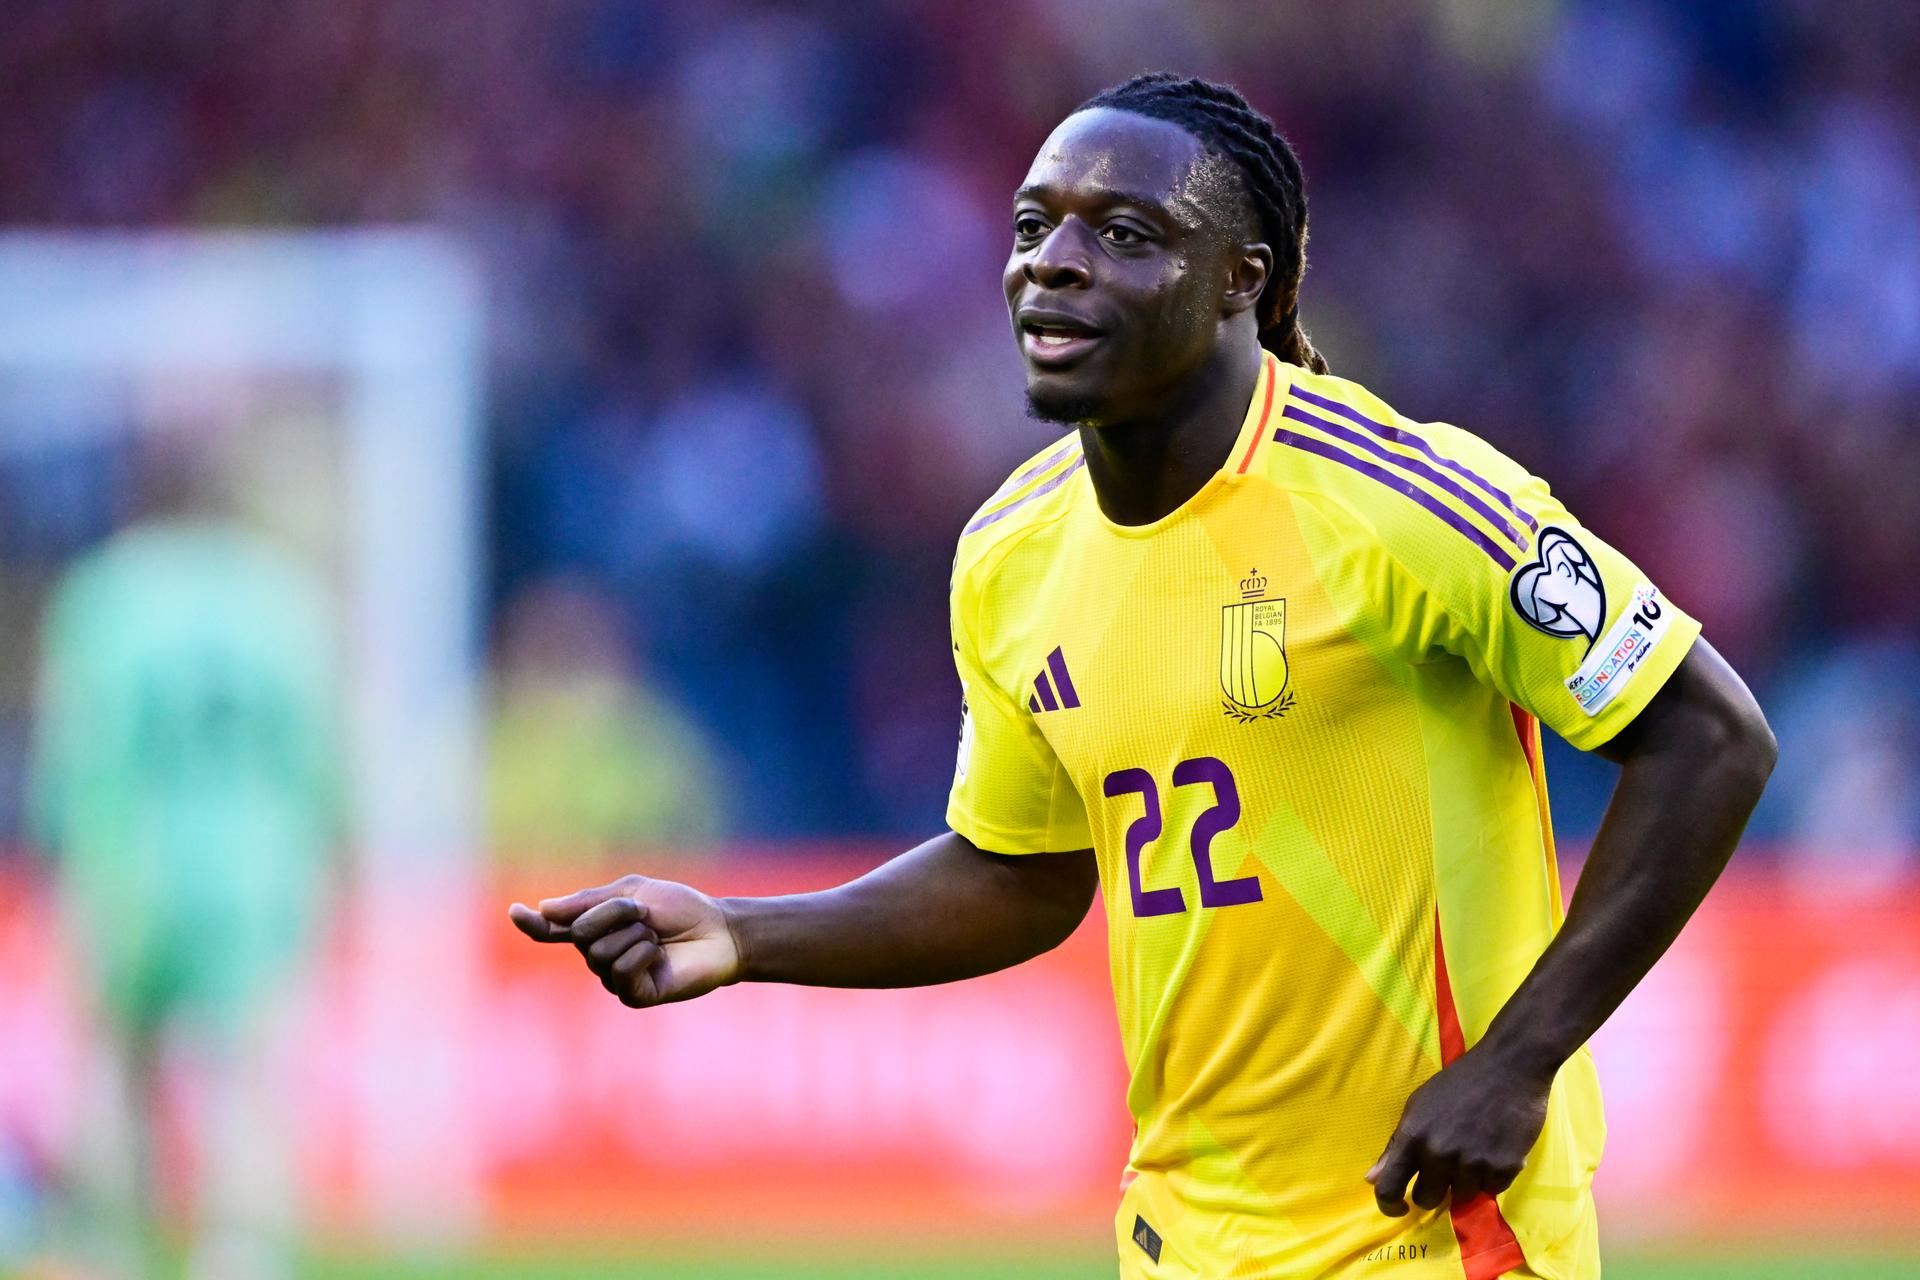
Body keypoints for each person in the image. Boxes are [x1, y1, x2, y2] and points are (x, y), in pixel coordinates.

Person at [512, 73, 1775, 1279]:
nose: (1053, 263)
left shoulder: (1401, 503)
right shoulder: (1010, 553)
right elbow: (1021, 867)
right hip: (1185, 1235)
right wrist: (742, 931)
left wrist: (1519, 1060)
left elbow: (1712, 737)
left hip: (1437, 1232)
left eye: (1124, 234)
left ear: (1241, 280)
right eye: (1033, 227)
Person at [33, 451, 339, 1280]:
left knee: (116, 1061)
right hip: (258, 865)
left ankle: (109, 1247)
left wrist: (57, 852)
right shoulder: (281, 596)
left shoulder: (106, 592)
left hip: (129, 859)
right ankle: (241, 1253)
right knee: (248, 1071)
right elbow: (318, 750)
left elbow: (78, 745)